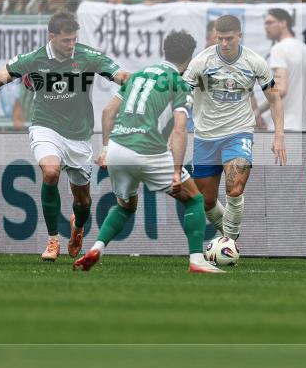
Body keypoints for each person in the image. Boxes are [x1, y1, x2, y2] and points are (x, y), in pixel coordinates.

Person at [0, 11, 130, 261]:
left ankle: (78, 226)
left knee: (83, 204)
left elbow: (120, 75)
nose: (71, 45)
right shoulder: (35, 59)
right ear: (51, 37)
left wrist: (134, 81)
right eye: (66, 40)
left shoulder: (87, 56)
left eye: (74, 39)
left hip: (79, 135)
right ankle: (53, 240)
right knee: (50, 172)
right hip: (45, 127)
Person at [75, 30, 222, 274]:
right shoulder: (178, 83)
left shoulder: (138, 75)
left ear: (165, 51)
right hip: (147, 150)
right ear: (190, 58)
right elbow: (179, 129)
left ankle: (97, 248)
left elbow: (108, 112)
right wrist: (176, 171)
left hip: (118, 149)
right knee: (194, 199)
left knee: (125, 207)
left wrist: (105, 149)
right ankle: (197, 260)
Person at [183, 15, 286, 240]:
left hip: (238, 133)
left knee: (235, 188)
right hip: (206, 136)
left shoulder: (254, 62)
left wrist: (279, 136)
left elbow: (275, 99)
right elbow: (182, 95)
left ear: (240, 36)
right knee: (207, 201)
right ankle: (230, 239)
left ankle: (229, 243)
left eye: (229, 38)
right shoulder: (201, 62)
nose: (224, 44)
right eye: (220, 39)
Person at [257, 8, 306, 132]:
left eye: (270, 22)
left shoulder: (279, 49)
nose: (266, 27)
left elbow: (280, 90)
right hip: (301, 127)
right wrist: (296, 87)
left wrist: (256, 112)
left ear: (283, 23)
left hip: (283, 126)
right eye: (265, 23)